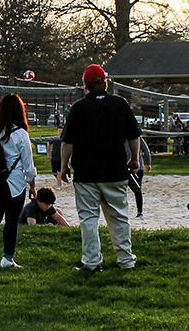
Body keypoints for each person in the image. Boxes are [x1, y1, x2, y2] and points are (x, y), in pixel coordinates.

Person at [58, 64, 140, 272]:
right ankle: (126, 260)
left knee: (88, 219)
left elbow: (67, 143)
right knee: (119, 218)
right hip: (115, 171)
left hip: (86, 173)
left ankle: (92, 262)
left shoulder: (78, 108)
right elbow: (134, 136)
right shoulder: (120, 104)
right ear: (106, 82)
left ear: (85, 85)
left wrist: (63, 166)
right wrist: (135, 159)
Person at [0, 94, 36, 269]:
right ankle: (7, 258)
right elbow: (28, 165)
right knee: (11, 220)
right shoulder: (21, 134)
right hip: (15, 183)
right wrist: (32, 186)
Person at [126, 138, 151, 218]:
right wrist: (148, 163)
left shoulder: (136, 138)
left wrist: (148, 163)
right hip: (134, 167)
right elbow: (146, 150)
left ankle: (139, 211)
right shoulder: (136, 137)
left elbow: (145, 150)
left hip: (133, 167)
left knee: (135, 189)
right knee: (137, 190)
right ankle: (139, 212)